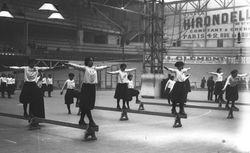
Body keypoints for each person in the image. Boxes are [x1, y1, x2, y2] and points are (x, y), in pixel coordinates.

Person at [64, 58, 108, 134]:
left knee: (87, 105)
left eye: (92, 60)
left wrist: (105, 66)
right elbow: (77, 66)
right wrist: (70, 64)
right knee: (86, 104)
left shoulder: (94, 68)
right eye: (90, 60)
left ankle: (81, 120)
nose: (92, 61)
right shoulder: (85, 68)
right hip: (86, 87)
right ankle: (91, 120)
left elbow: (100, 68)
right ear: (87, 62)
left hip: (92, 87)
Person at [8, 59, 50, 129]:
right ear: (29, 63)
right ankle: (25, 112)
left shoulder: (36, 68)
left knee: (39, 97)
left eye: (34, 63)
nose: (33, 65)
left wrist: (51, 67)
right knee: (25, 99)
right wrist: (9, 67)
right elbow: (17, 68)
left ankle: (34, 114)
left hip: (33, 84)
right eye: (32, 63)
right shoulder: (25, 68)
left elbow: (45, 68)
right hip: (27, 84)